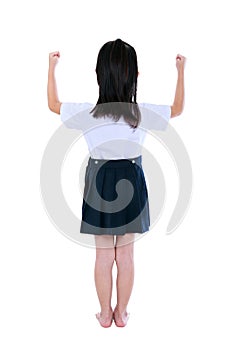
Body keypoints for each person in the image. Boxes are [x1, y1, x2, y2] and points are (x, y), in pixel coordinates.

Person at [47, 39, 186, 328]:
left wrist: (52, 67)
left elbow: (52, 104)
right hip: (131, 180)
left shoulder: (87, 114)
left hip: (99, 181)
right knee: (125, 254)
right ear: (135, 75)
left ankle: (104, 314)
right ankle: (121, 313)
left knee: (102, 255)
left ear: (98, 75)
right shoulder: (141, 113)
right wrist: (180, 71)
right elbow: (177, 108)